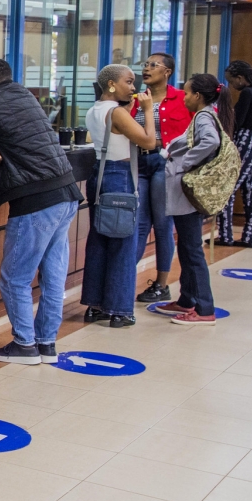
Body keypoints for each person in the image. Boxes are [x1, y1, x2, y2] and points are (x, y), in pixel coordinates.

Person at [0, 59, 82, 366]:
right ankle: (46, 343)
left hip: (36, 200)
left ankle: (24, 345)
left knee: (14, 278)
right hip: (66, 193)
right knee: (53, 277)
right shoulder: (26, 95)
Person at [81, 65, 157, 328]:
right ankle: (120, 310)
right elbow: (149, 141)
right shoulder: (117, 112)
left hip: (99, 175)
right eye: (129, 81)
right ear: (111, 84)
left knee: (99, 240)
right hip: (120, 177)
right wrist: (148, 110)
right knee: (124, 244)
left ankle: (95, 305)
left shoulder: (94, 110)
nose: (133, 88)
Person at [155, 74, 234, 325]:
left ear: (198, 96)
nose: (184, 97)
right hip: (185, 195)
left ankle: (204, 308)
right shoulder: (207, 114)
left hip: (188, 194)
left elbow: (211, 141)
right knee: (186, 247)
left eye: (187, 93)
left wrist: (186, 162)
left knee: (192, 250)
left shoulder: (203, 117)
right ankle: (187, 298)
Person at [128, 53, 194, 303]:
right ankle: (125, 279)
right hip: (138, 161)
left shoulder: (182, 98)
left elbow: (192, 134)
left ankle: (161, 284)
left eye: (153, 65)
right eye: (145, 64)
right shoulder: (136, 99)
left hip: (165, 163)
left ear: (167, 72)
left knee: (163, 224)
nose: (146, 69)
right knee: (139, 223)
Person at [217, 60, 252, 247]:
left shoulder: (247, 93)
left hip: (246, 142)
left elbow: (238, 121)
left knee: (228, 187)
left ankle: (225, 235)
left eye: (232, 81)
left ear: (240, 78)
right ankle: (250, 236)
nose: (232, 85)